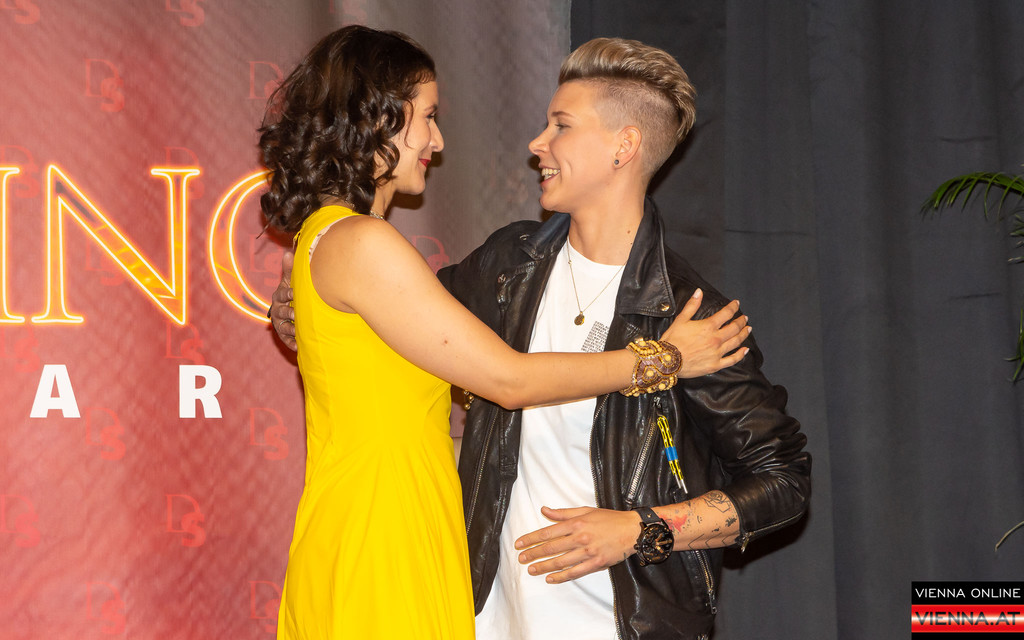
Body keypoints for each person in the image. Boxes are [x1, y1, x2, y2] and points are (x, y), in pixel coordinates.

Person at [260, 26, 751, 640]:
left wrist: (642, 528)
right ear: (376, 116)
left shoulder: (341, 241)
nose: (438, 141)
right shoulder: (372, 244)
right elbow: (508, 380)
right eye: (428, 117)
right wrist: (664, 358)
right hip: (382, 536)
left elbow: (779, 475)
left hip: (399, 526)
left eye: (561, 125)